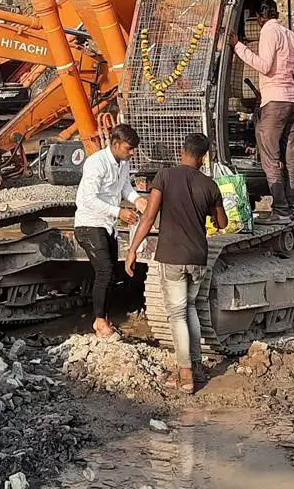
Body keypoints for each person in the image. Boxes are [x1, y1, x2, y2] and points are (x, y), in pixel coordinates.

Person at [124, 133, 226, 393]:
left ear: (182, 151)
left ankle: (185, 373)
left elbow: (149, 217)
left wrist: (132, 249)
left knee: (177, 314)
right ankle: (196, 365)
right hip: (198, 258)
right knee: (190, 308)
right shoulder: (210, 185)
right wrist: (210, 211)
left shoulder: (165, 176)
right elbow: (222, 223)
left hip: (172, 256)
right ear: (203, 158)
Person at [228, 0, 294, 220]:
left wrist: (238, 46)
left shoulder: (268, 31)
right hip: (291, 103)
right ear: (276, 13)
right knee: (290, 155)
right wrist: (286, 70)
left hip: (273, 103)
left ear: (260, 17)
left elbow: (264, 66)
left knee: (270, 156)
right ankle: (289, 206)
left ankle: (280, 209)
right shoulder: (292, 36)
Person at [74, 124, 149, 341]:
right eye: (129, 148)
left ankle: (104, 319)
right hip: (90, 223)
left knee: (111, 274)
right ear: (115, 144)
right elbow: (88, 198)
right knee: (105, 271)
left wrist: (137, 199)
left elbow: (124, 186)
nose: (132, 153)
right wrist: (119, 212)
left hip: (108, 224)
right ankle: (99, 321)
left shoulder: (123, 163)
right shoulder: (96, 163)